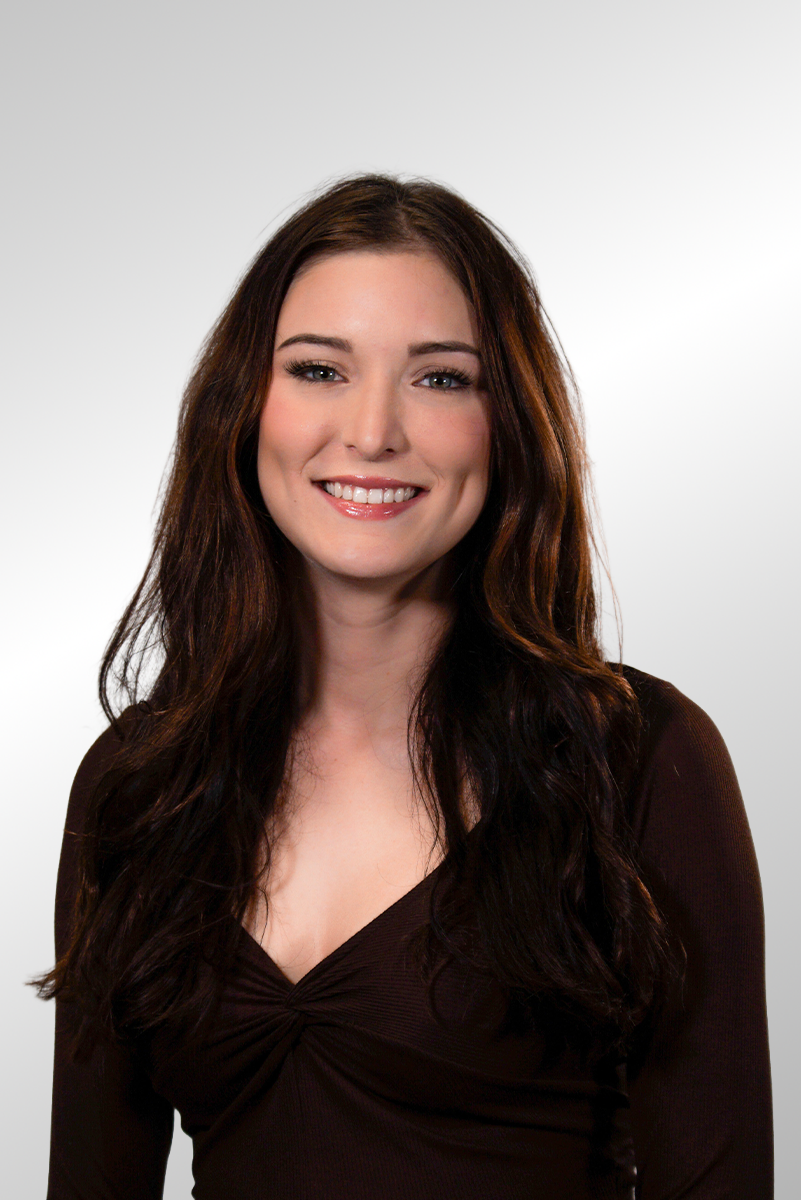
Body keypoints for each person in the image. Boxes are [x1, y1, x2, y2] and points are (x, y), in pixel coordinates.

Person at [38, 174, 772, 1199]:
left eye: (440, 379)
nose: (373, 431)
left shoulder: (637, 759)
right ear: (245, 407)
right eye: (318, 369)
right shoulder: (140, 783)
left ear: (507, 423)